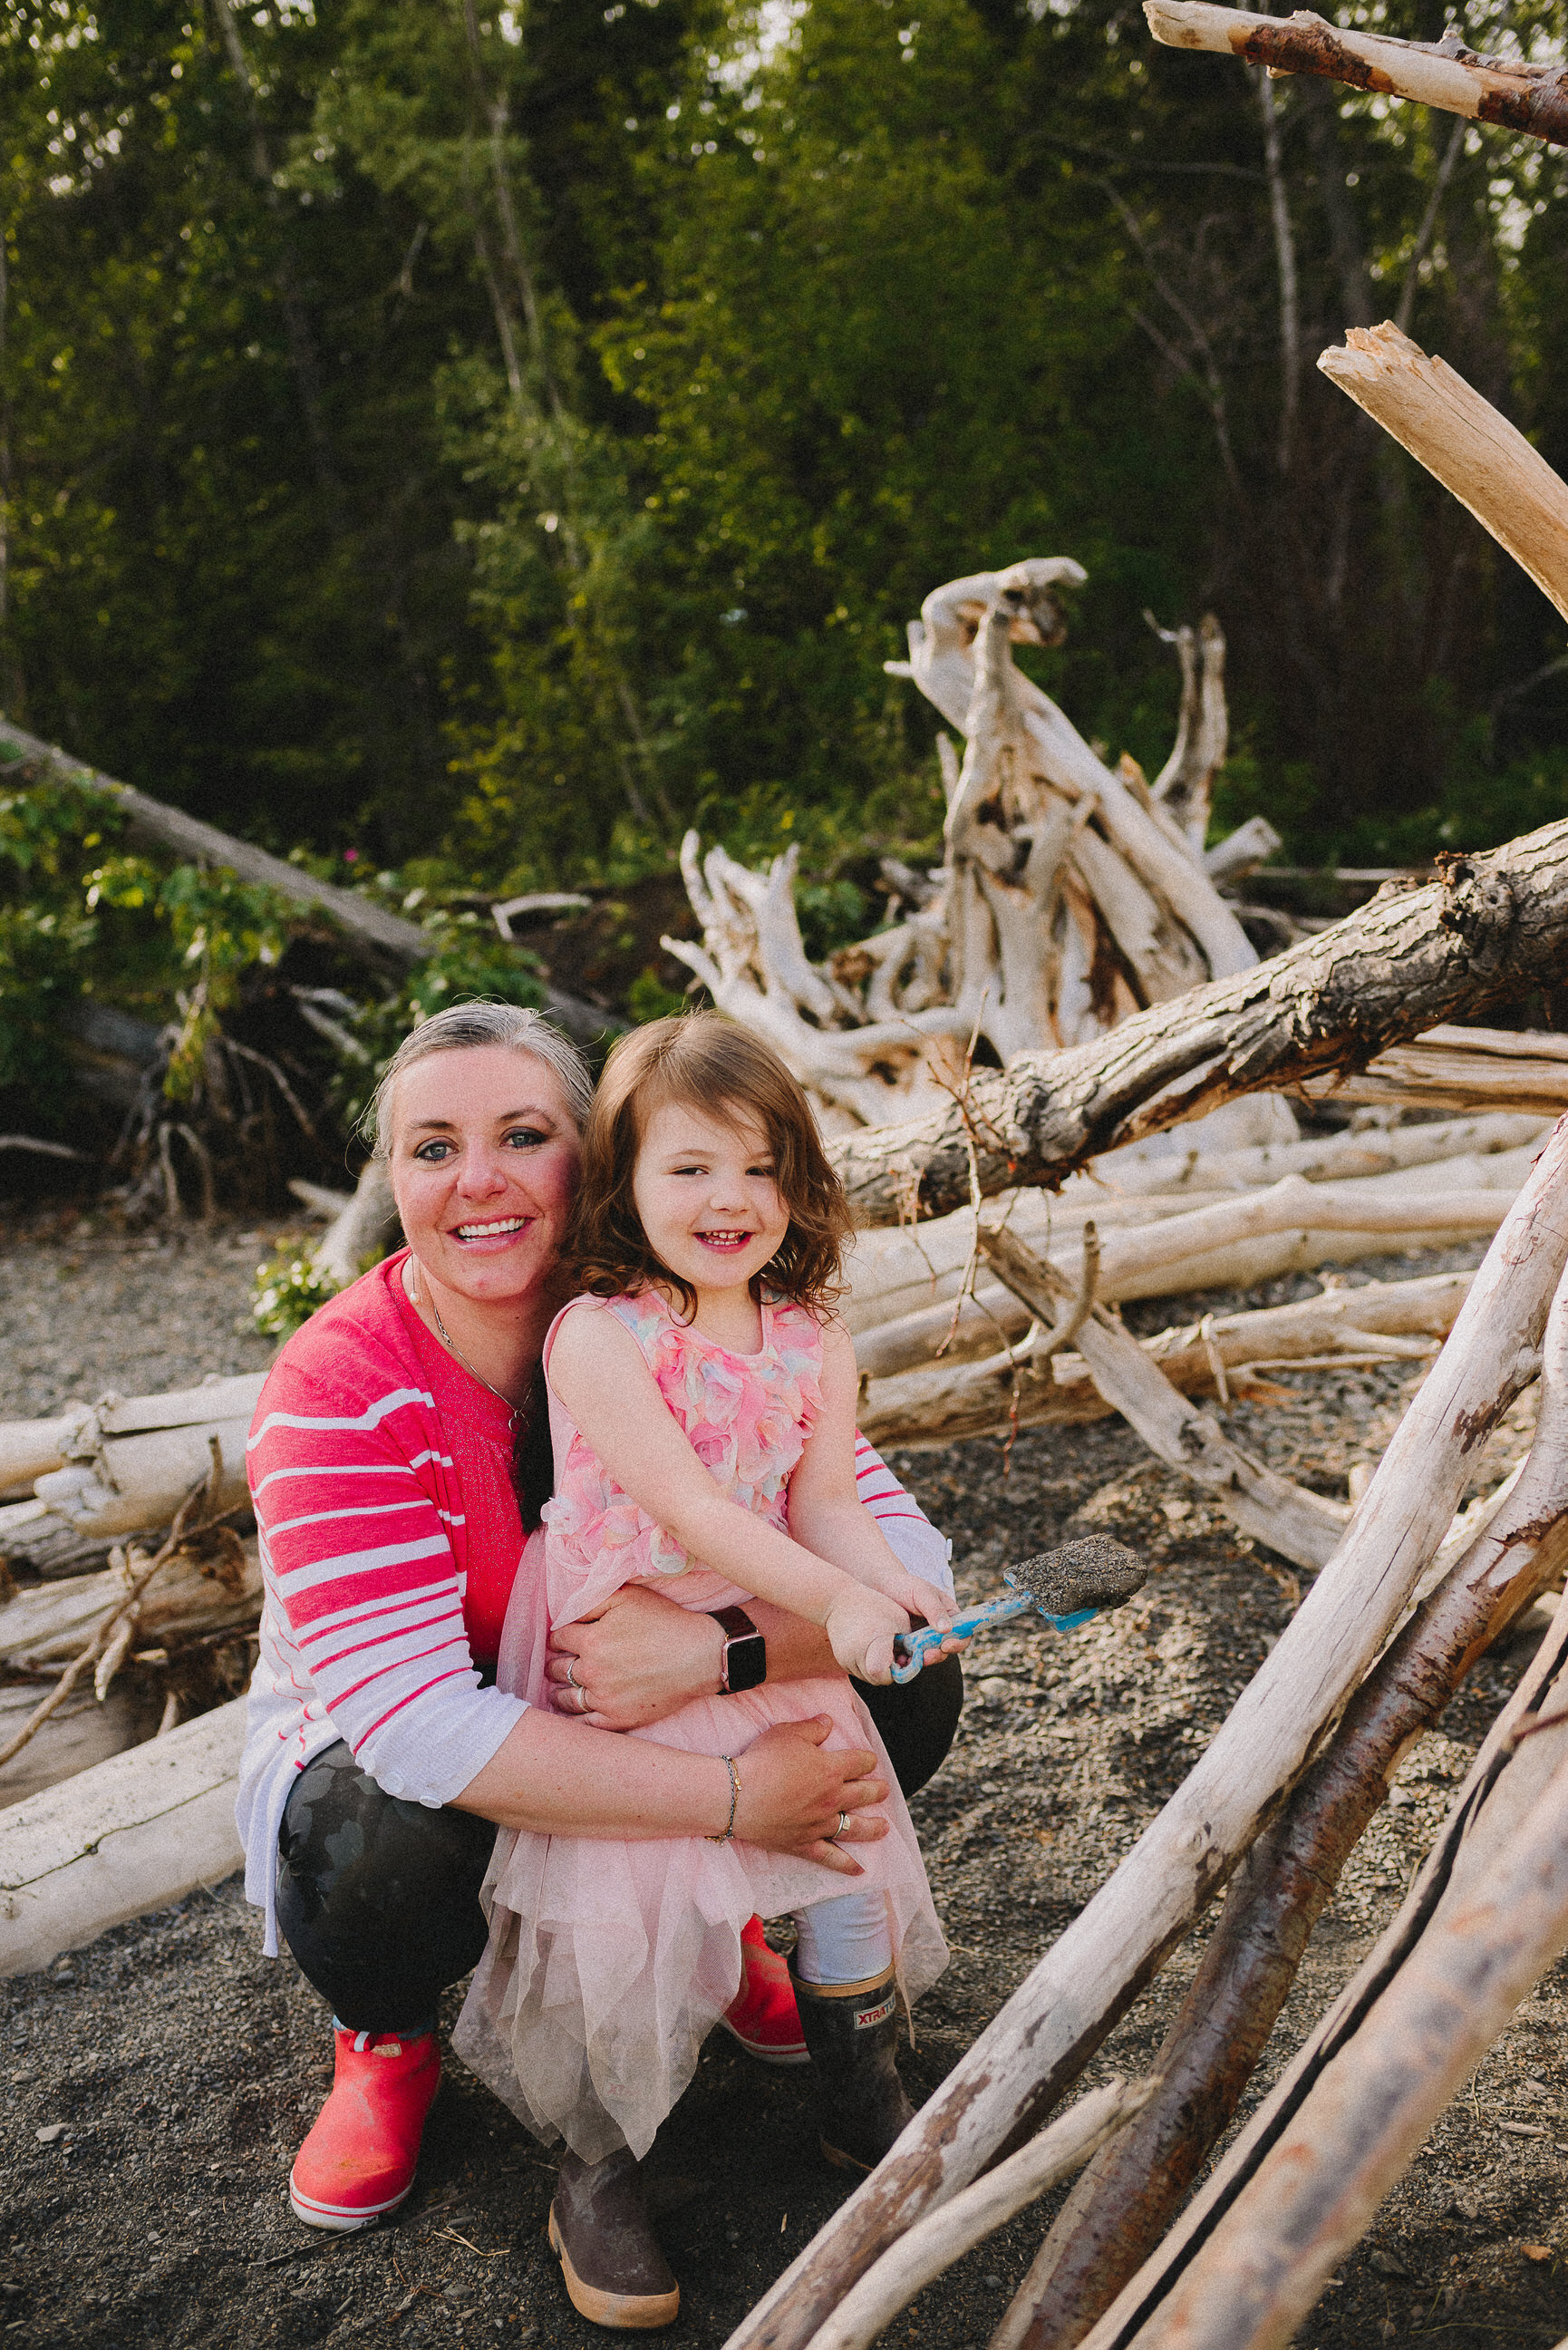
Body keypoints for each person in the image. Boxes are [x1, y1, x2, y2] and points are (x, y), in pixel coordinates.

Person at [236, 1002, 966, 2295]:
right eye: (430, 1148)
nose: (478, 1182)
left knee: (907, 1673)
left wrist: (718, 1657)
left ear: (597, 1155)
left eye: (524, 1135)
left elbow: (894, 1548)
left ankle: (738, 1954)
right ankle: (391, 2037)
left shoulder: (706, 1308)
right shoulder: (341, 1390)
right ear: (391, 1176)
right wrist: (741, 1795)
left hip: (665, 1680)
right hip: (417, 1736)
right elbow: (417, 1723)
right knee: (379, 1842)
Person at [453, 1015, 950, 2326]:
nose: (729, 1200)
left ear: (798, 1181)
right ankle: (599, 2165)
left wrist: (885, 1586)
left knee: (846, 1844)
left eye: (758, 1166)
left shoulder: (808, 1336)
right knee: (631, 1906)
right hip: (624, 1640)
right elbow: (691, 1509)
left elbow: (824, 1500)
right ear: (621, 1185)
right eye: (688, 1169)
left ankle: (860, 2087)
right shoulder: (601, 1338)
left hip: (752, 1628)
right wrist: (834, 1597)